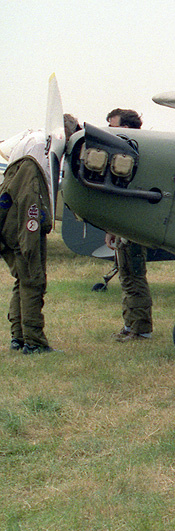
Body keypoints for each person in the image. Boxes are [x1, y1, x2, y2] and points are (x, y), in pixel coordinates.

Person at [0, 114, 79, 354]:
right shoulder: (34, 163)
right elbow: (30, 204)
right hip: (21, 227)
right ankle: (34, 342)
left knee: (22, 280)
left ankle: (18, 337)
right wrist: (31, 243)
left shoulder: (23, 149)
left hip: (9, 225)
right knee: (34, 280)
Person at [105, 108, 153, 341]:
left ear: (125, 129)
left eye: (113, 126)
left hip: (133, 225)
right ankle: (130, 325)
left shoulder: (137, 156)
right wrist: (112, 228)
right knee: (126, 277)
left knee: (134, 276)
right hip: (124, 226)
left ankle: (141, 329)